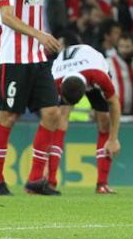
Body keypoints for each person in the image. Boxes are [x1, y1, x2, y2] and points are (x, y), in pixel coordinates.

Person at [0, 0, 63, 196]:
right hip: (14, 58)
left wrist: (47, 38)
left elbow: (33, 15)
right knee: (8, 116)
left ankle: (34, 180)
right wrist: (40, 35)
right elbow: (7, 17)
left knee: (52, 113)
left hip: (37, 57)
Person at [50, 44, 121, 194]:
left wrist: (113, 139)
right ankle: (51, 182)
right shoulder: (53, 80)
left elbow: (114, 102)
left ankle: (102, 184)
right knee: (60, 119)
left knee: (105, 122)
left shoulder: (99, 77)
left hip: (92, 66)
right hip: (66, 72)